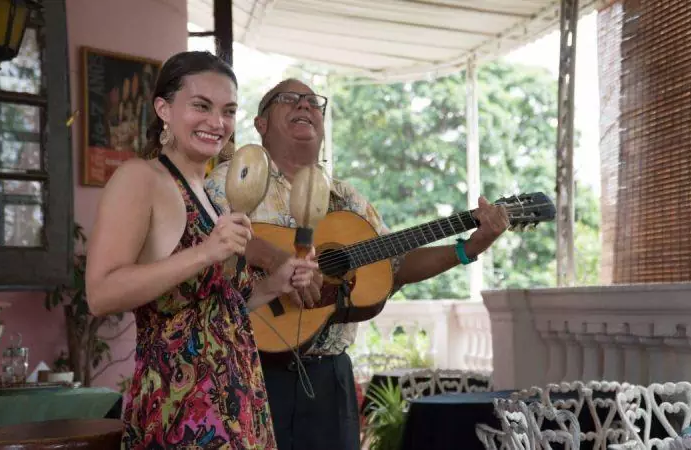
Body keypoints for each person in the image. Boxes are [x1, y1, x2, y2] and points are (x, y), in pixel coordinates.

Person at [205, 78, 510, 450]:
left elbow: (393, 263)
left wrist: (469, 248)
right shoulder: (231, 179)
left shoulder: (347, 199)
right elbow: (209, 238)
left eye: (313, 102)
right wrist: (275, 258)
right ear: (261, 124)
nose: (304, 106)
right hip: (249, 366)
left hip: (329, 376)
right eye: (288, 99)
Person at [85, 53, 318, 450]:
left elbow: (218, 311)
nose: (217, 123)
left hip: (239, 400)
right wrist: (206, 252)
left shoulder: (213, 196)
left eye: (228, 111)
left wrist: (275, 285)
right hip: (183, 411)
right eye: (201, 106)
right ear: (164, 109)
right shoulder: (139, 178)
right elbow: (100, 293)